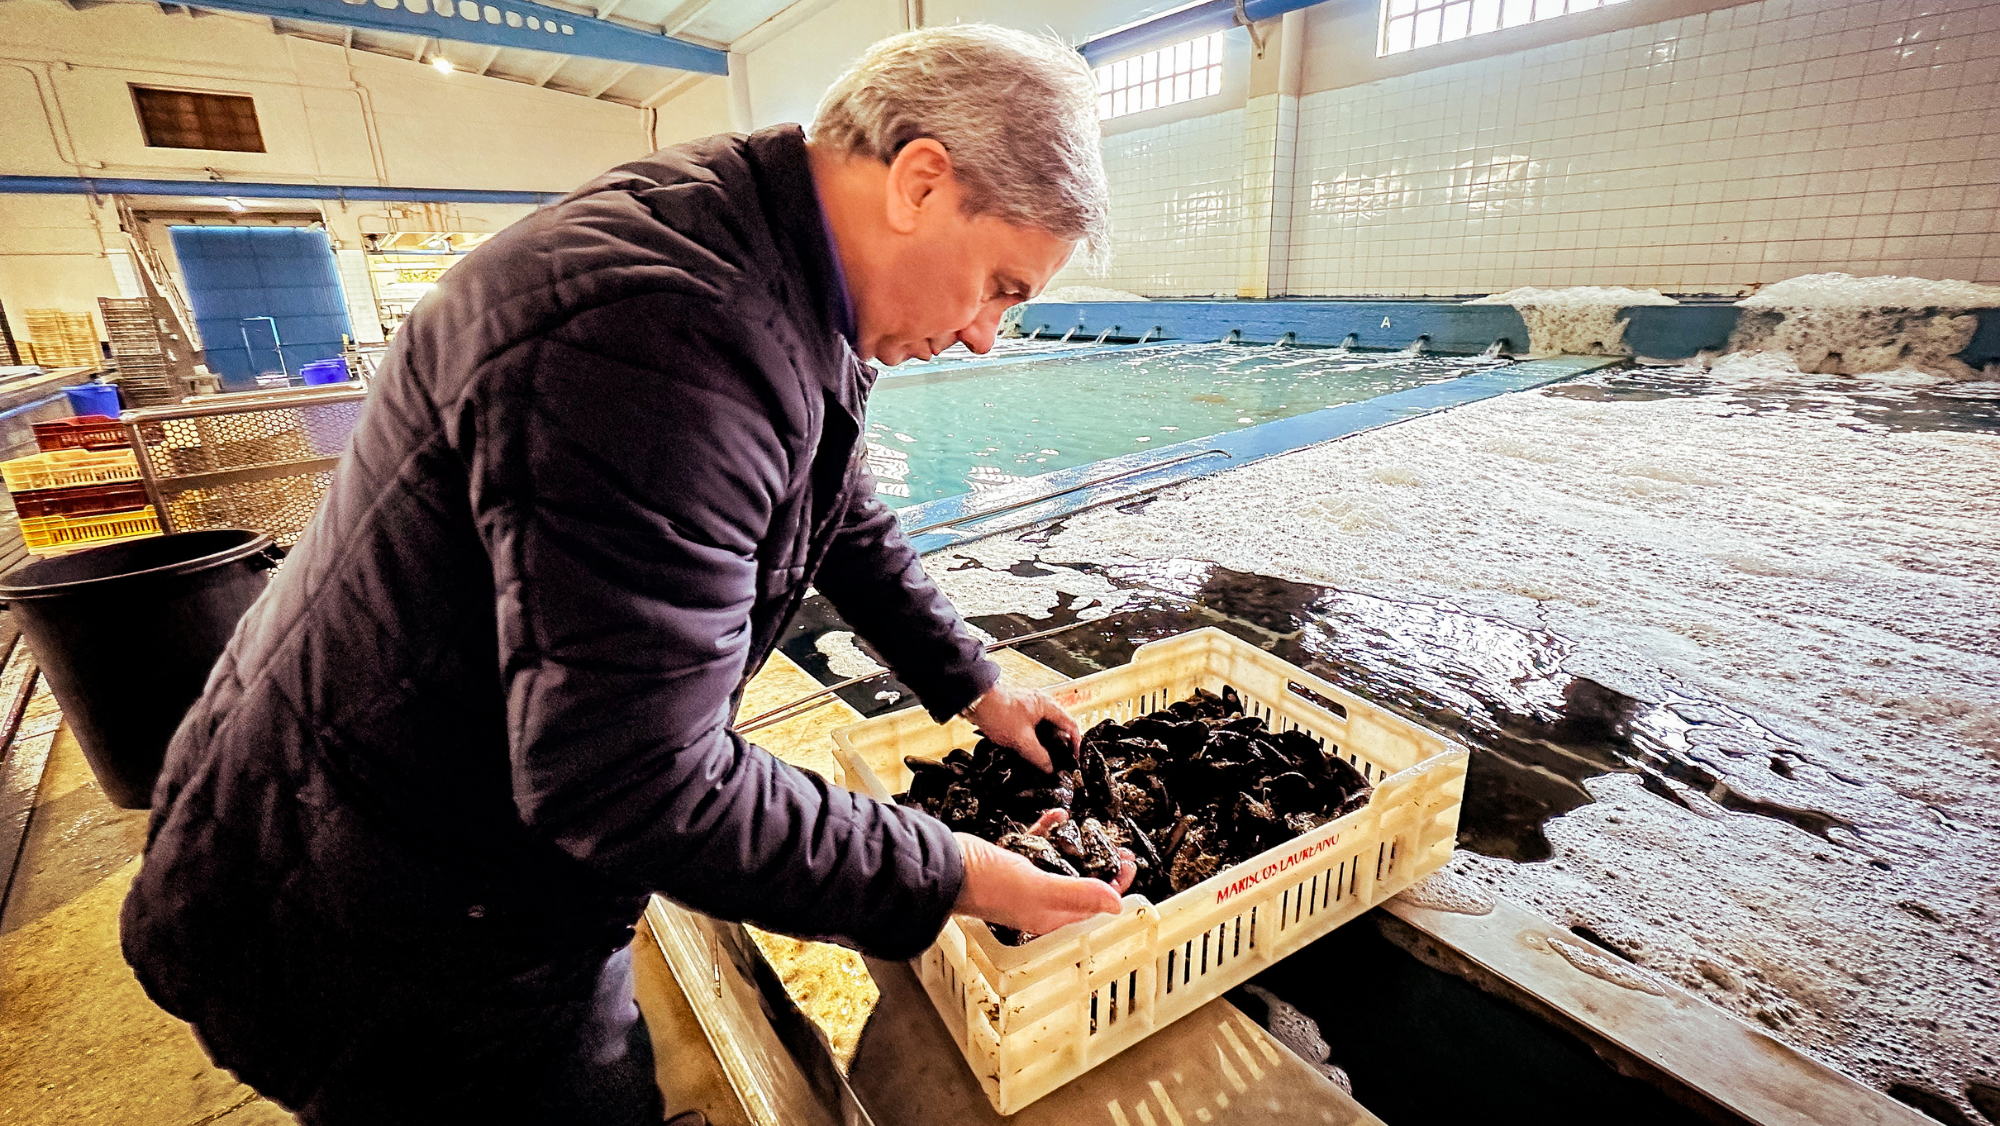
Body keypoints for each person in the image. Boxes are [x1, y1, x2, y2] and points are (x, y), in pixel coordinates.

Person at [120, 24, 1127, 1126]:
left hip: (448, 835)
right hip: (379, 907)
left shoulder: (765, 246)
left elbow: (826, 495)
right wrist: (957, 875)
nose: (985, 334)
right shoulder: (662, 338)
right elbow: (635, 781)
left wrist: (972, 681)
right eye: (999, 285)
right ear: (921, 182)